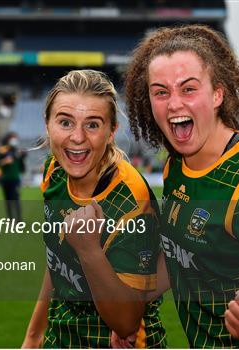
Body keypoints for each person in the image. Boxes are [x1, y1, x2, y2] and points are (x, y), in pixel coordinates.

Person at [117, 24, 239, 348]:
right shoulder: (176, 167)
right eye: (161, 91)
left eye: (188, 89)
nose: (173, 104)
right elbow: (176, 257)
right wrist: (126, 309)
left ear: (218, 94)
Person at [22, 70, 166, 348]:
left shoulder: (130, 200)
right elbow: (56, 261)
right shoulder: (55, 172)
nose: (77, 137)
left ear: (111, 131)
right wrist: (33, 337)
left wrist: (88, 249)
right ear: (47, 124)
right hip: (61, 339)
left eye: (92, 125)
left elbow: (126, 322)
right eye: (65, 122)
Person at [0, 132, 25, 220]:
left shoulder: (17, 151)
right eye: (13, 138)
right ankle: (10, 219)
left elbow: (22, 164)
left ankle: (19, 220)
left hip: (15, 179)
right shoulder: (2, 151)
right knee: (8, 200)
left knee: (16, 199)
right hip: (5, 179)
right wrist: (5, 161)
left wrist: (21, 156)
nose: (14, 140)